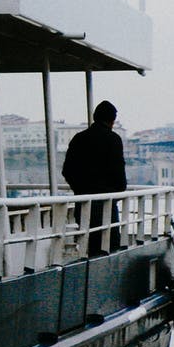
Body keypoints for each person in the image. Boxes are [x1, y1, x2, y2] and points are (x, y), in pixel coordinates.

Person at [62, 100, 127, 255]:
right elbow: (119, 172)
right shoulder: (113, 139)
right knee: (109, 245)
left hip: (83, 201)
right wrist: (116, 193)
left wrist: (80, 190)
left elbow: (67, 170)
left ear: (94, 117)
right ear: (112, 120)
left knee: (89, 242)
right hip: (106, 202)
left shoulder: (79, 138)